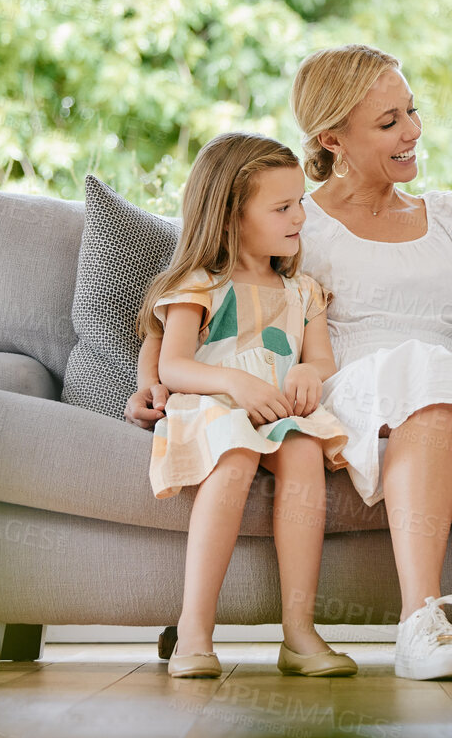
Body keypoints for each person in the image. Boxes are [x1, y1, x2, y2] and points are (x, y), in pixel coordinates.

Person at [130, 45, 452, 681]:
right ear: (331, 138)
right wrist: (151, 380)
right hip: (361, 389)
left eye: (412, 112)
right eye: (389, 122)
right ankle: (420, 620)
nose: (413, 131)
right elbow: (196, 288)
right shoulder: (292, 221)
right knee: (427, 393)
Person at [139, 132, 355, 681]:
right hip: (214, 407)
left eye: (300, 203)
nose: (300, 218)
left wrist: (308, 370)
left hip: (279, 410)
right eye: (282, 207)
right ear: (232, 216)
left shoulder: (303, 291)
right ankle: (194, 630)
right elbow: (173, 366)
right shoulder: (199, 284)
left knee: (305, 450)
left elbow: (323, 361)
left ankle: (299, 632)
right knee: (234, 455)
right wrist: (234, 384)